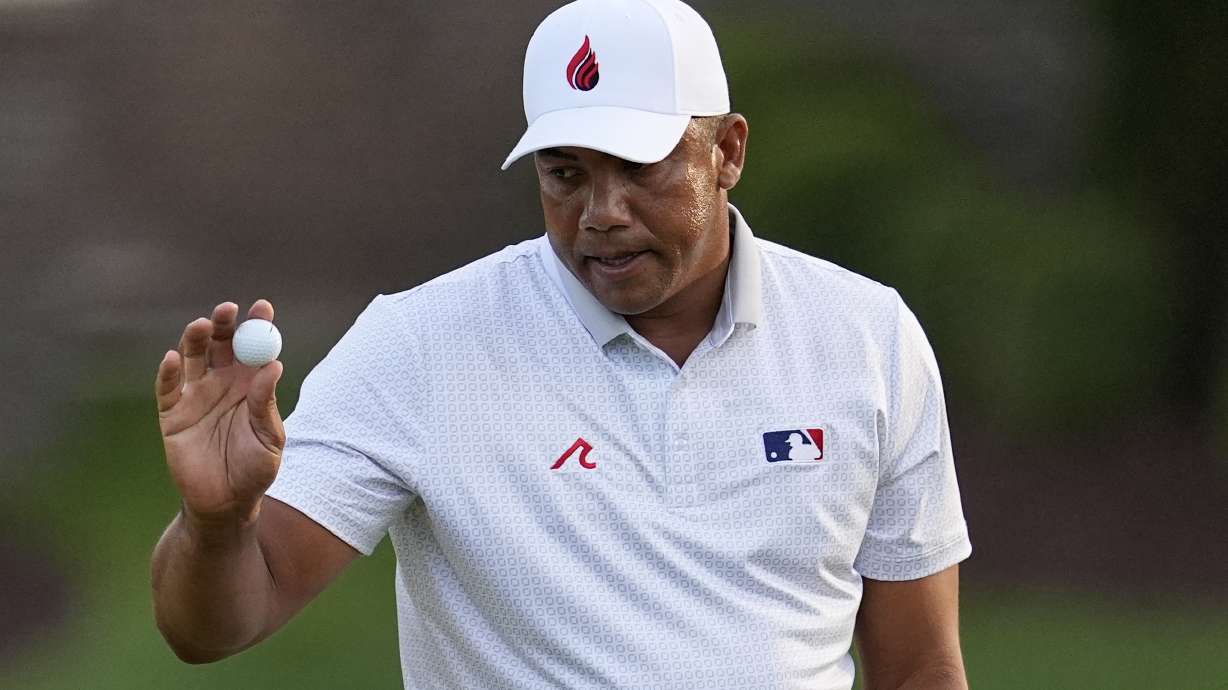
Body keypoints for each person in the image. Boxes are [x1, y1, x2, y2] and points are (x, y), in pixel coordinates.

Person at [150, 0, 972, 688]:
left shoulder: (867, 336)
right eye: (565, 172)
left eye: (640, 167)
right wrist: (217, 523)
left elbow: (920, 669)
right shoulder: (422, 344)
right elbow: (219, 624)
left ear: (726, 152)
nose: (601, 211)